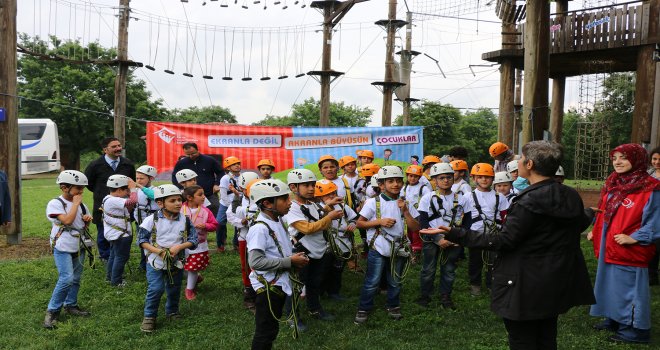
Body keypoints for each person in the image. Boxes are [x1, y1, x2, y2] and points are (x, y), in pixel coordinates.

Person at [422, 140, 595, 350]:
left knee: (523, 340)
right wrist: (588, 214)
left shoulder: (528, 202)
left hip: (527, 282)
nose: (518, 161)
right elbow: (572, 224)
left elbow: (504, 240)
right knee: (546, 336)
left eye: (521, 158)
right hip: (556, 278)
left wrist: (455, 232)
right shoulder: (569, 194)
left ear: (529, 164)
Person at [588, 143, 660, 344]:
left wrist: (637, 237)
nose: (618, 162)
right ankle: (615, 317)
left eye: (624, 157)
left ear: (637, 159)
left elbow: (656, 219)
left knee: (630, 287)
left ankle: (637, 329)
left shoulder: (651, 187)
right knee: (611, 283)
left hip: (631, 247)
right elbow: (605, 209)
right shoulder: (615, 182)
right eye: (615, 158)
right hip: (610, 244)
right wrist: (596, 230)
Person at [246, 179, 309, 349]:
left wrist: (293, 257)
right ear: (267, 203)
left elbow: (278, 247)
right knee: (265, 331)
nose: (290, 203)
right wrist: (289, 261)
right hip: (268, 287)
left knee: (271, 329)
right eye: (285, 199)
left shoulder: (278, 220)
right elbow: (255, 261)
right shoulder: (260, 228)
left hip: (278, 282)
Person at [354, 166, 420, 324]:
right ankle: (364, 307)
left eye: (398, 181)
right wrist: (379, 221)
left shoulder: (405, 204)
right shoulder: (372, 202)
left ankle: (393, 304)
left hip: (398, 247)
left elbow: (416, 227)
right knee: (373, 280)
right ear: (382, 185)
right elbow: (359, 224)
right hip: (378, 247)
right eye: (390, 181)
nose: (395, 184)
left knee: (395, 279)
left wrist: (405, 212)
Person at [284, 169, 343, 329]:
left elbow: (316, 214)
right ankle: (292, 316)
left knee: (314, 282)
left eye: (312, 184)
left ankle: (315, 309)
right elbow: (307, 228)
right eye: (306, 185)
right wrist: (329, 217)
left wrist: (327, 207)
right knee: (297, 285)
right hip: (302, 251)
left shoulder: (313, 204)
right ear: (294, 187)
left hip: (318, 250)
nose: (311, 188)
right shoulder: (292, 207)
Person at [138, 184, 199, 333]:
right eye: (173, 200)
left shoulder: (185, 220)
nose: (178, 203)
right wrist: (158, 251)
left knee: (174, 288)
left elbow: (194, 240)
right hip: (155, 262)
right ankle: (149, 317)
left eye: (179, 199)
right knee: (156, 288)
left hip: (176, 262)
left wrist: (179, 247)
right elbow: (141, 241)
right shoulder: (151, 220)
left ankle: (172, 311)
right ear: (160, 203)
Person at [417, 163, 472, 310]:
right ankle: (425, 295)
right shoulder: (427, 198)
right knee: (428, 268)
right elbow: (423, 222)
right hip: (431, 238)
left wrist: (457, 238)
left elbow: (467, 221)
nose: (446, 180)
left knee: (449, 269)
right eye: (441, 178)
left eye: (449, 177)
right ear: (434, 180)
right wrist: (438, 239)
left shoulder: (462, 198)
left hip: (453, 239)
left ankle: (446, 295)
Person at [43, 170, 94, 329]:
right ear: (65, 187)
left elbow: (81, 224)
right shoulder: (56, 203)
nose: (81, 192)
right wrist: (76, 204)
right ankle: (52, 311)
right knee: (66, 278)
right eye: (78, 188)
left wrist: (87, 220)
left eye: (82, 189)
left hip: (79, 246)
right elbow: (67, 220)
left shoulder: (82, 205)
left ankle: (71, 304)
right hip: (63, 246)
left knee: (76, 278)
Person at [84, 137, 136, 262]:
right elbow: (89, 183)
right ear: (105, 149)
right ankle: (105, 257)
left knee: (122, 230)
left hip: (123, 206)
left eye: (119, 145)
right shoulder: (95, 165)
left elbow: (131, 182)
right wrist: (102, 193)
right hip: (102, 206)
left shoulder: (127, 164)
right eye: (114, 146)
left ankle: (119, 255)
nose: (118, 148)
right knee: (103, 232)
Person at [465, 163, 508, 296]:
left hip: (494, 233)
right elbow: (463, 216)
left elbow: (504, 215)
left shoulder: (499, 196)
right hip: (475, 233)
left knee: (493, 260)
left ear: (492, 179)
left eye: (487, 177)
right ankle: (475, 284)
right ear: (474, 178)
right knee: (475, 260)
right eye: (481, 177)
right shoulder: (468, 196)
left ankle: (491, 284)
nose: (484, 180)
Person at [316, 179, 358, 300]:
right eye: (327, 194)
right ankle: (319, 292)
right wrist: (328, 206)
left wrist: (352, 224)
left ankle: (334, 291)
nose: (331, 196)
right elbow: (316, 219)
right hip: (327, 244)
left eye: (333, 193)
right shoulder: (319, 208)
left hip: (343, 242)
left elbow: (353, 218)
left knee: (337, 269)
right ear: (319, 196)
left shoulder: (342, 206)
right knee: (324, 269)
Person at [226, 172, 261, 312]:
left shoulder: (263, 198)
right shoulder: (239, 201)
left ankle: (263, 290)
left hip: (261, 237)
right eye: (248, 188)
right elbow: (230, 215)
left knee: (261, 263)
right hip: (245, 238)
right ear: (242, 188)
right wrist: (242, 221)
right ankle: (249, 294)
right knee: (247, 265)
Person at [181, 185, 218, 300]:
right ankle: (196, 278)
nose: (203, 197)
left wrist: (206, 225)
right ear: (189, 197)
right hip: (181, 244)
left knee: (192, 268)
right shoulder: (180, 209)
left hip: (198, 245)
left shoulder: (205, 211)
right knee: (181, 268)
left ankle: (189, 290)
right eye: (200, 194)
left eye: (203, 194)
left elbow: (214, 225)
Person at [102, 175, 137, 287]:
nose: (128, 192)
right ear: (118, 190)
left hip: (114, 233)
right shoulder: (114, 200)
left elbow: (129, 206)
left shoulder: (107, 198)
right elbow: (134, 200)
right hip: (120, 235)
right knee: (121, 257)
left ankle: (110, 277)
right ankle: (116, 281)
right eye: (126, 190)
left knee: (114, 256)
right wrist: (133, 188)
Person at [170, 143, 224, 215]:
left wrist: (217, 184)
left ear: (198, 150)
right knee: (191, 217)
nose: (191, 156)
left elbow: (221, 172)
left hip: (210, 194)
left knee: (216, 217)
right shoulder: (182, 163)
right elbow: (175, 176)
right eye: (188, 154)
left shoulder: (209, 160)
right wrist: (181, 188)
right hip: (190, 197)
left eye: (193, 153)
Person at [402, 165, 431, 259]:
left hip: (418, 215)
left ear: (419, 177)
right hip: (407, 214)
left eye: (415, 176)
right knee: (408, 233)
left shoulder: (423, 188)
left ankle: (417, 253)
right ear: (407, 176)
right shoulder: (404, 188)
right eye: (410, 176)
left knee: (416, 234)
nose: (413, 178)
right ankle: (410, 250)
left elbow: (429, 200)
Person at [134, 165, 160, 271]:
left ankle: (153, 262)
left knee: (152, 242)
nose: (138, 181)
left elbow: (154, 196)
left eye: (141, 178)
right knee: (142, 242)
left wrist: (139, 186)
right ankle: (143, 263)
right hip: (139, 221)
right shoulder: (136, 190)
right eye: (137, 178)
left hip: (152, 223)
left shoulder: (155, 190)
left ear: (151, 178)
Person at [218, 156, 242, 252]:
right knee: (219, 223)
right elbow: (223, 195)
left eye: (238, 164)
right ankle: (220, 244)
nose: (237, 165)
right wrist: (230, 207)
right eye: (234, 164)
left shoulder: (242, 176)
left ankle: (237, 244)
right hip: (225, 204)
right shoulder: (225, 178)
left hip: (239, 203)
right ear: (228, 168)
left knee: (238, 223)